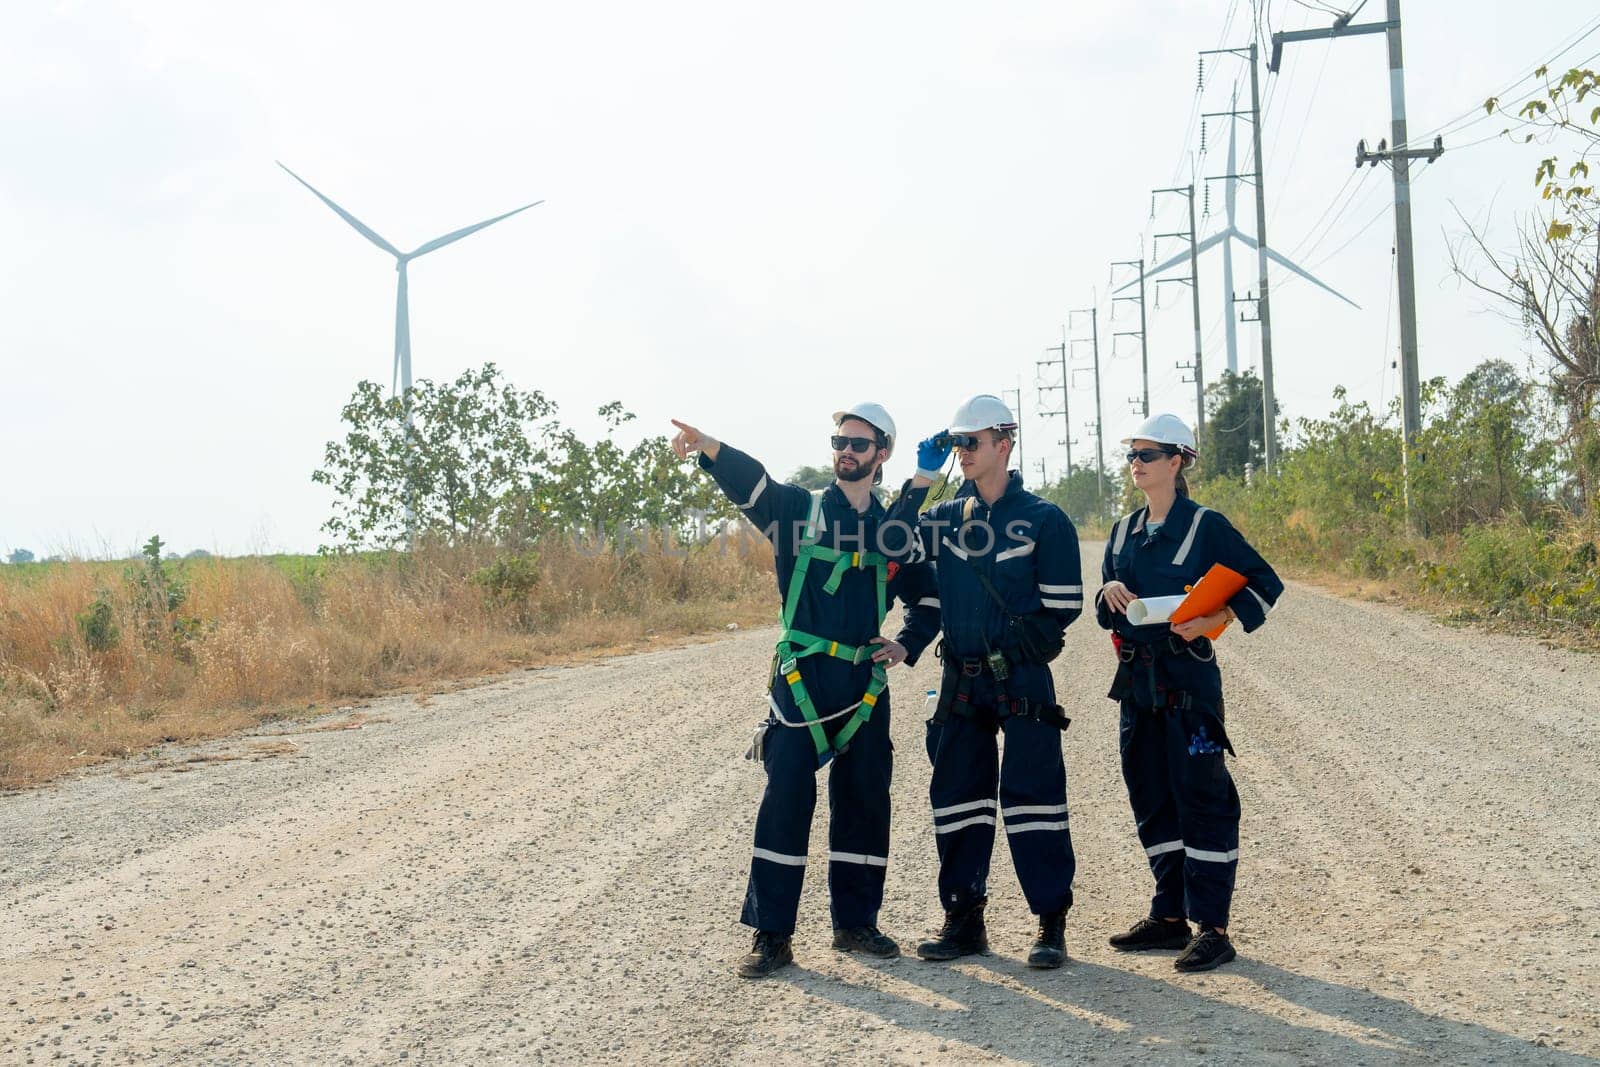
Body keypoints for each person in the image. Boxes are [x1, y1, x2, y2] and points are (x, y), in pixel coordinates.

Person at [671, 403, 941, 979]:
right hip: (800, 680)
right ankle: (772, 935)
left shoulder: (896, 532)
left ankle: (855, 923)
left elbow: (928, 597)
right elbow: (755, 484)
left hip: (864, 682)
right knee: (786, 800)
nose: (846, 450)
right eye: (840, 440)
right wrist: (711, 447)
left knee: (866, 799)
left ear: (881, 454)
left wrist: (907, 644)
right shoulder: (798, 511)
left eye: (860, 444)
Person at [889, 393, 1083, 969]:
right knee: (957, 801)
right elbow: (890, 543)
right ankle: (964, 920)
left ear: (1004, 443)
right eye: (956, 444)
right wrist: (923, 478)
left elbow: (1064, 606)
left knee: (1035, 802)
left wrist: (1020, 644)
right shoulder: (944, 517)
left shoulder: (1045, 520)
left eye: (970, 442)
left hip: (1021, 680)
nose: (963, 453)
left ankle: (1050, 924)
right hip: (960, 682)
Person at [1095, 413, 1284, 973]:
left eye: (1147, 455)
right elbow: (1103, 609)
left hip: (1189, 686)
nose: (1136, 463)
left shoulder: (1207, 527)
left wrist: (1217, 618)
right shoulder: (1123, 530)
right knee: (1151, 797)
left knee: (1203, 799)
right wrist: (1106, 590)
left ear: (1176, 462)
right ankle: (1169, 915)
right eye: (1132, 454)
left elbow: (1265, 584)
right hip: (1137, 686)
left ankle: (1212, 927)